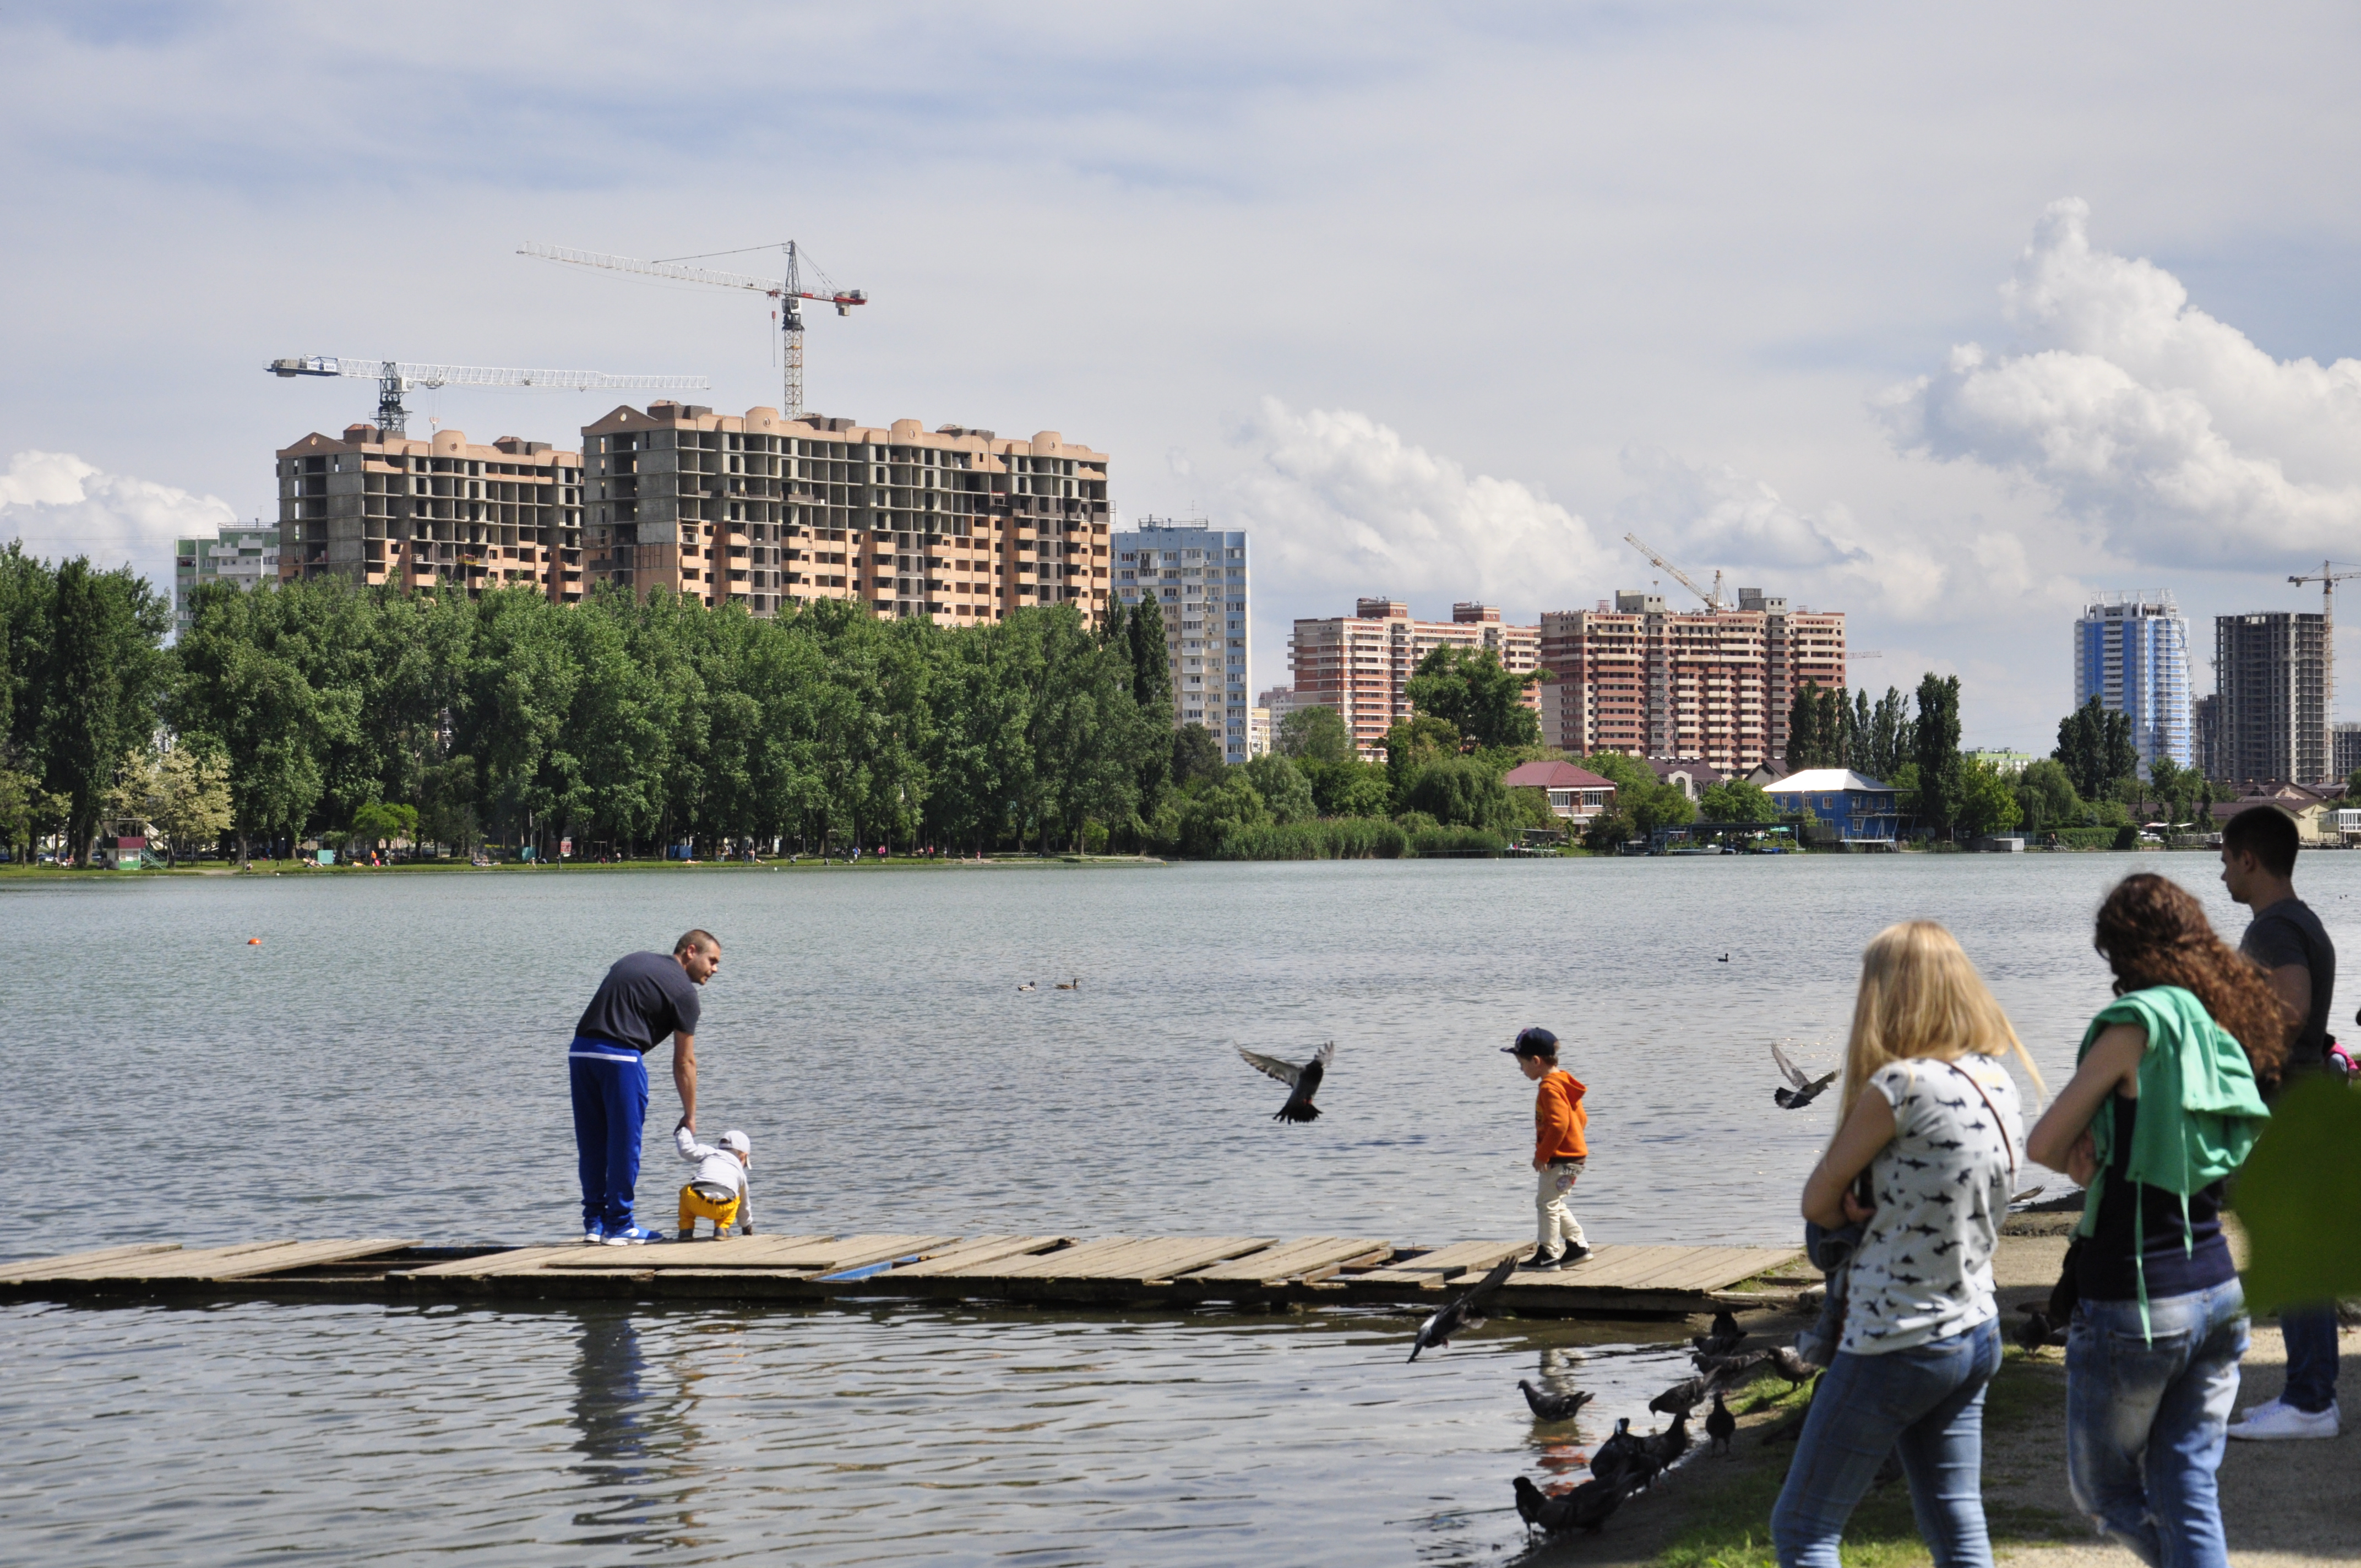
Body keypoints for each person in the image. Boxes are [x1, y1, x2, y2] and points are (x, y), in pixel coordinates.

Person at [2025, 873, 2280, 1568]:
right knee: (2186, 1486)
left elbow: (2044, 1144)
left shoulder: (2134, 1025)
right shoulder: (2218, 1024)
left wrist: (2086, 1161)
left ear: (2122, 948)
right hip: (2217, 1291)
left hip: (2138, 1297)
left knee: (2106, 1492)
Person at [1771, 922, 2041, 1568]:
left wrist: (1851, 1199)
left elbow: (1816, 1204)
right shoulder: (1995, 1078)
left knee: (1803, 1528)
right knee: (1954, 1517)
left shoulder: (1900, 1086)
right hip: (1974, 1326)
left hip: (1897, 1336)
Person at [2215, 806, 2342, 1441]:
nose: (2221, 874)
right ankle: (2307, 1392)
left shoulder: (2273, 928)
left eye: (2225, 861)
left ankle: (2310, 1401)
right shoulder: (2301, 920)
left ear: (2249, 859)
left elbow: (2290, 1010)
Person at [569, 930, 721, 1246]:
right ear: (691, 951)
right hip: (621, 1059)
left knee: (592, 1144)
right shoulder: (685, 994)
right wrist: (690, 1115)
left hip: (581, 1052)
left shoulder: (634, 959)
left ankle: (595, 1223)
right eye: (712, 960)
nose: (715, 969)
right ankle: (620, 1224)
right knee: (625, 1144)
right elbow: (685, 1062)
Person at [1503, 1027, 1590, 1270]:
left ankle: (1548, 1254)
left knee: (1546, 1204)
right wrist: (1575, 1141)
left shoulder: (1549, 1088)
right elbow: (1581, 1119)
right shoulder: (1564, 1083)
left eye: (1522, 1064)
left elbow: (1560, 1125)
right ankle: (1578, 1246)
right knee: (1553, 1201)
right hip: (1576, 1157)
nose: (1521, 1070)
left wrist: (1542, 1155)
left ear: (1536, 1061)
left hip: (1560, 1159)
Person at [674, 1123, 755, 1241]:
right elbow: (744, 1206)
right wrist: (746, 1226)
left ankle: (686, 1231)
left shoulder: (710, 1153)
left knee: (686, 1190)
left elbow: (686, 1149)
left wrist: (684, 1130)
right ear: (743, 1156)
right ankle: (722, 1229)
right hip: (722, 1207)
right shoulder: (741, 1174)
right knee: (737, 1198)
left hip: (696, 1202)